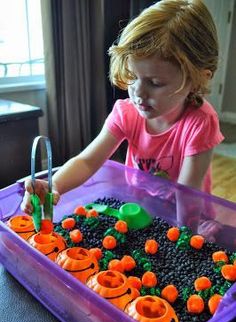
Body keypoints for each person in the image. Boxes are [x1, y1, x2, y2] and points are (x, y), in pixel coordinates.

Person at [21, 0, 224, 220]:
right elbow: (88, 161)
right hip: (140, 209)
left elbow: (187, 196)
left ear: (197, 79)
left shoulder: (201, 123)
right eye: (133, 77)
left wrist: (184, 245)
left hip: (190, 219)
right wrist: (54, 185)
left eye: (155, 83)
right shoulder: (126, 113)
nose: (138, 92)